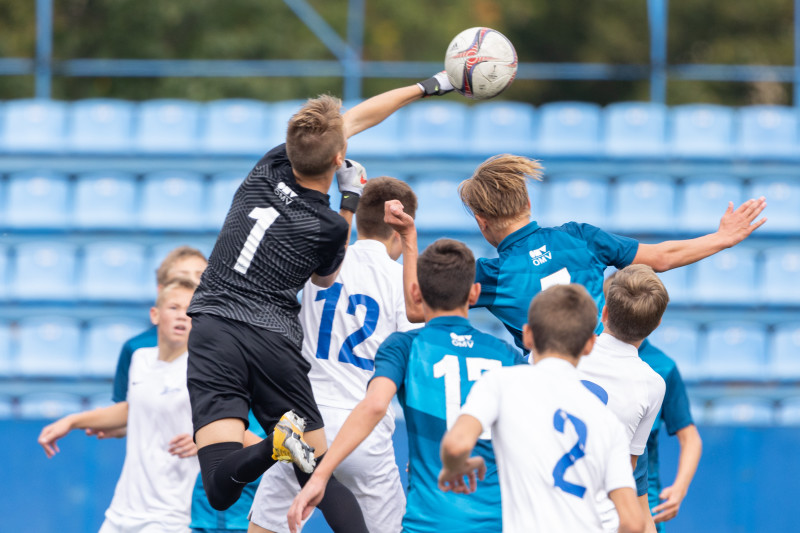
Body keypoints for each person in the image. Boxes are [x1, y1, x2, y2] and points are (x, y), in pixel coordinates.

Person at [185, 73, 455, 532]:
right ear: (338, 157)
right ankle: (283, 442)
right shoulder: (330, 226)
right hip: (271, 340)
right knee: (318, 473)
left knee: (218, 486)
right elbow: (326, 276)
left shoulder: (264, 169)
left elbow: (350, 123)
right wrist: (348, 200)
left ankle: (275, 445)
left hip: (212, 326)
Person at [386, 154, 767, 346]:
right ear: (528, 203)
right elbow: (662, 258)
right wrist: (722, 238)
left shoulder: (492, 275)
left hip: (552, 393)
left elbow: (418, 309)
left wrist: (409, 239)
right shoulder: (579, 237)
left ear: (482, 221)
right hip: (611, 373)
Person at [287, 239, 526, 533]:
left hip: (428, 521)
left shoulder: (405, 346)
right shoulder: (507, 355)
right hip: (496, 521)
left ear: (415, 292)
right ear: (475, 292)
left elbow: (374, 405)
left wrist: (321, 475)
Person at [249, 177, 418, 533]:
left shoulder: (320, 267)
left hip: (305, 424)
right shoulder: (402, 282)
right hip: (365, 429)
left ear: (361, 220)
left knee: (265, 527)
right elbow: (413, 374)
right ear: (398, 231)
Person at [439, 284, 644, 533]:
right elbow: (633, 522)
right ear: (590, 343)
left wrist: (455, 466)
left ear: (527, 335)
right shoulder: (608, 421)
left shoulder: (500, 383)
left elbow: (456, 444)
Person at [38, 278, 200, 533]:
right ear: (155, 315)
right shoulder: (140, 359)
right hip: (122, 509)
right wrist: (71, 421)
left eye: (191, 310)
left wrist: (204, 438)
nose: (183, 316)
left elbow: (230, 420)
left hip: (172, 514)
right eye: (174, 308)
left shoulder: (203, 370)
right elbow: (131, 408)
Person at [577, 265, 668, 533]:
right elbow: (626, 470)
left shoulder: (561, 352)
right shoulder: (652, 384)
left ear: (603, 311)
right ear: (656, 324)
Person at [110, 246, 207, 406]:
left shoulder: (225, 345)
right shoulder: (137, 350)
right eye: (181, 278)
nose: (193, 282)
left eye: (201, 276)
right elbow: (128, 411)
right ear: (161, 289)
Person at [638, 340, 703, 531]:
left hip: (644, 504)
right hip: (590, 498)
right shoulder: (587, 351)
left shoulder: (663, 367)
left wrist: (679, 489)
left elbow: (690, 438)